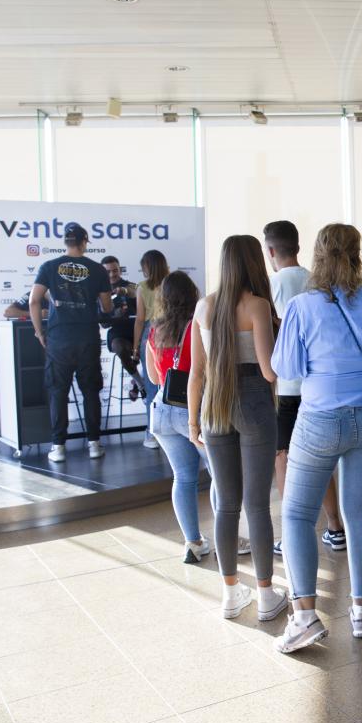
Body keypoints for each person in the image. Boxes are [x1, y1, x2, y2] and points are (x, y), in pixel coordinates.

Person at [272, 223, 362, 652]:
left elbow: (287, 368)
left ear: (316, 255)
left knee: (297, 516)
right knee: (359, 516)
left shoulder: (302, 306)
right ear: (358, 254)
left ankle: (304, 617)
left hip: (318, 420)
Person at [188, 235, 286, 622]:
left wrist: (194, 421)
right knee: (257, 504)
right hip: (254, 403)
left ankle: (230, 594)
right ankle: (266, 596)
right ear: (252, 263)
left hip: (214, 404)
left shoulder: (203, 307)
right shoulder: (258, 306)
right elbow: (268, 370)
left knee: (225, 505)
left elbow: (196, 373)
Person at [262, 220, 344, 554]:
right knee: (320, 459)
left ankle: (291, 533)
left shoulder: (271, 285)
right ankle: (335, 527)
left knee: (283, 457)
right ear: (297, 246)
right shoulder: (317, 281)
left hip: (285, 386)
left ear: (270, 251)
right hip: (317, 385)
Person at [144, 271, 213, 564]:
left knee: (182, 478)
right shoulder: (196, 326)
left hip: (161, 410)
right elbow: (205, 371)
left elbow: (152, 375)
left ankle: (193, 542)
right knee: (218, 476)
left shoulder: (153, 330)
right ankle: (232, 538)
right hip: (192, 408)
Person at [30, 222, 112, 463]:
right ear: (84, 242)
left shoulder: (49, 266)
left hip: (58, 338)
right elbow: (107, 307)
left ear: (65, 242)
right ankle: (95, 444)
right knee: (90, 392)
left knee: (58, 393)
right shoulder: (97, 270)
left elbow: (34, 301)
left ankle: (59, 447)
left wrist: (39, 332)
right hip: (87, 338)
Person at [132, 249, 169, 449]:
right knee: (172, 383)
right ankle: (175, 428)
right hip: (174, 332)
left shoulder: (143, 287)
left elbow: (140, 319)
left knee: (152, 385)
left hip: (152, 334)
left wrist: (136, 346)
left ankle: (152, 433)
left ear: (147, 267)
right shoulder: (173, 282)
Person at [99, 255, 146, 401]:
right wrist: (114, 315)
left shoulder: (132, 286)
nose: (112, 274)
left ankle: (140, 380)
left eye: (115, 270)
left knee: (150, 346)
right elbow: (104, 324)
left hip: (138, 331)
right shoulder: (100, 291)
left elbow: (146, 310)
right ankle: (141, 385)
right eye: (108, 272)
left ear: (120, 269)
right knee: (120, 348)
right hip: (118, 334)